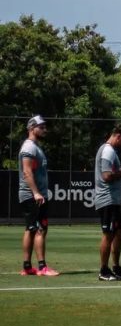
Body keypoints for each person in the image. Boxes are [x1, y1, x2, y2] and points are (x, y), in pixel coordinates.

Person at [19, 115, 59, 277]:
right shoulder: (29, 147)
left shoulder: (35, 147)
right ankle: (42, 267)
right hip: (32, 195)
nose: (44, 129)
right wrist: (36, 193)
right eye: (41, 127)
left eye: (44, 127)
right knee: (40, 229)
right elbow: (27, 172)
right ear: (31, 128)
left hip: (32, 194)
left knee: (31, 228)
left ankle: (27, 267)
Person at [94, 124, 121, 281]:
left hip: (112, 200)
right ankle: (104, 270)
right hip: (107, 199)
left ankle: (116, 267)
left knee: (120, 232)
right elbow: (106, 176)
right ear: (118, 136)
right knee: (108, 234)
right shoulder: (108, 151)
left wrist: (120, 172)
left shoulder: (110, 151)